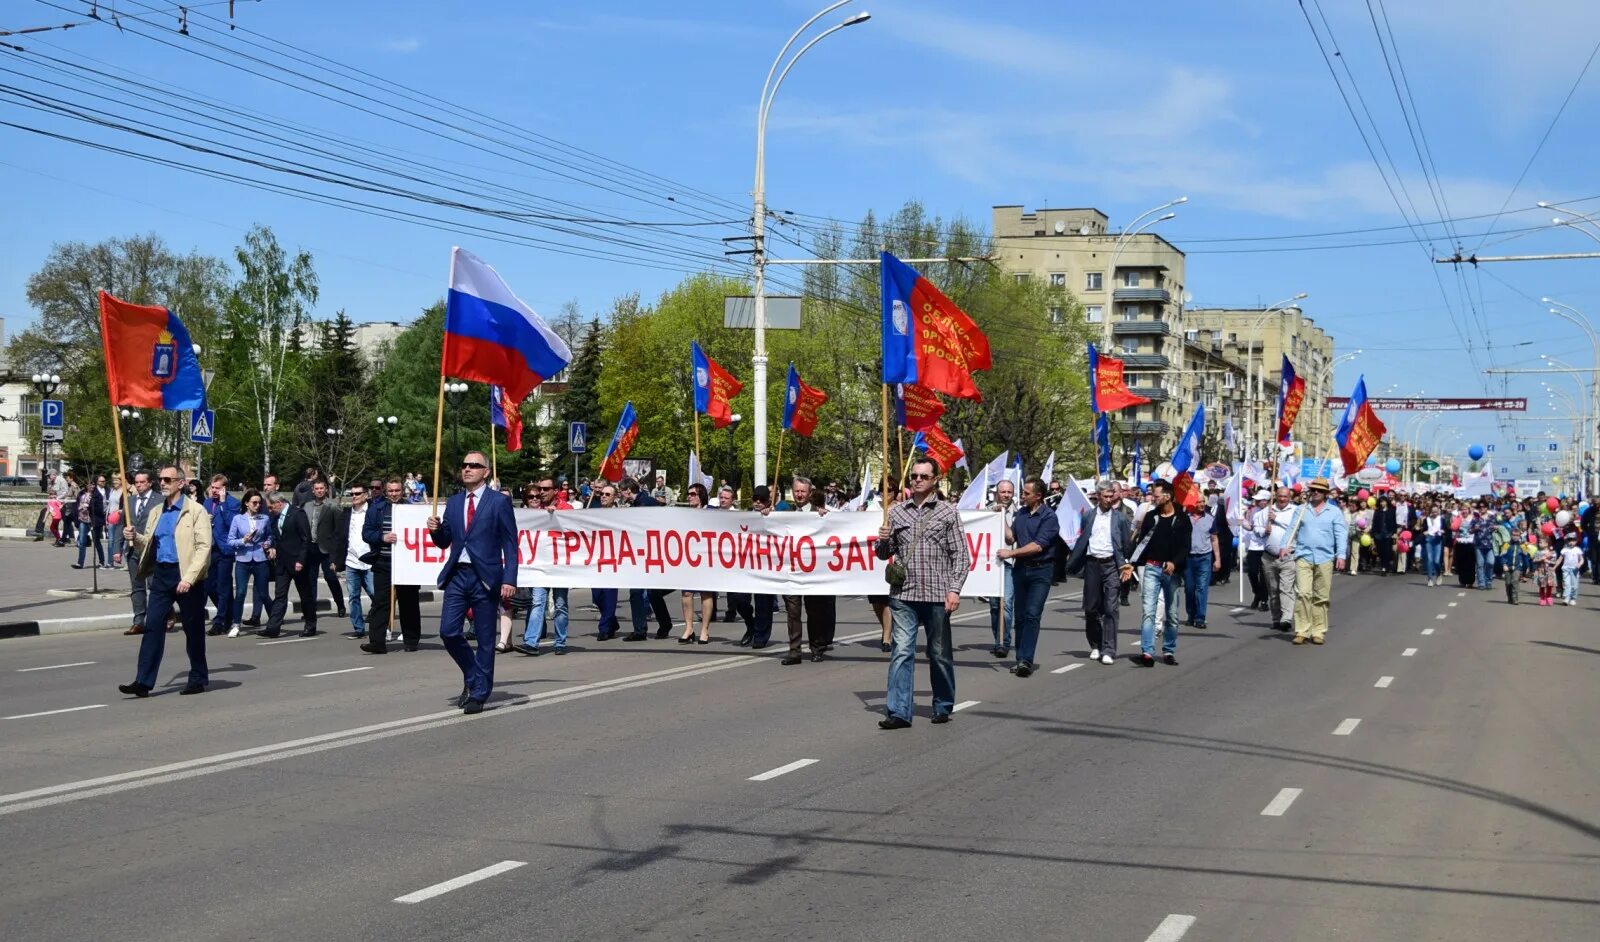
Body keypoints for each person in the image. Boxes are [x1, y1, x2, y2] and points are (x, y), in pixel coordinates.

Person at [874, 457, 969, 729]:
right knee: (902, 651)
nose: (917, 480)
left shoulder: (947, 512)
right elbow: (884, 554)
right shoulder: (896, 512)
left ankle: (942, 704)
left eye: (923, 476)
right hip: (904, 594)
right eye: (914, 476)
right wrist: (882, 539)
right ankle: (899, 711)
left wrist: (954, 589)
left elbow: (960, 555)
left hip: (938, 595)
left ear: (935, 480)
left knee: (938, 653)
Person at [427, 450, 519, 715]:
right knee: (448, 631)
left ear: (485, 472)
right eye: (464, 464)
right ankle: (473, 676)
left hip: (486, 577)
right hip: (458, 575)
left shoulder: (498, 502)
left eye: (474, 465)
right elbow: (446, 541)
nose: (467, 469)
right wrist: (436, 530)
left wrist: (509, 578)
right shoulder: (455, 502)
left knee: (486, 638)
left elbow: (510, 544)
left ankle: (479, 693)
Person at [117, 464, 212, 697]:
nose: (163, 483)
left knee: (193, 629)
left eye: (168, 479)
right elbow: (150, 543)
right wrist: (134, 537)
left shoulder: (196, 511)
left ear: (181, 483)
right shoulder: (157, 511)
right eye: (161, 479)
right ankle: (143, 681)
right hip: (161, 574)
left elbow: (203, 548)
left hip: (187, 576)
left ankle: (198, 677)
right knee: (152, 626)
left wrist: (189, 579)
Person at [1065, 479, 1133, 665]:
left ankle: (1109, 649)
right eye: (1105, 496)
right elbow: (1083, 537)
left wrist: (1126, 563)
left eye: (1111, 496)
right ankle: (1096, 644)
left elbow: (1127, 544)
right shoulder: (1088, 516)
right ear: (1098, 496)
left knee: (1111, 608)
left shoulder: (1120, 518)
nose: (1109, 500)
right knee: (1091, 608)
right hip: (1092, 564)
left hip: (1112, 565)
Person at [998, 478, 1059, 677]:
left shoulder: (1049, 517)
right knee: (1021, 616)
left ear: (1038, 496)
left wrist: (1011, 554)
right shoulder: (1022, 513)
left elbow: (1038, 545)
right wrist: (1001, 517)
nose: (1022, 496)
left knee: (1033, 614)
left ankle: (1026, 659)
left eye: (1026, 493)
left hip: (1041, 570)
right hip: (1021, 569)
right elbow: (1011, 538)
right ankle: (1020, 658)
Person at [1130, 480, 1190, 667]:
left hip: (1172, 571)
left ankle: (1168, 650)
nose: (1153, 499)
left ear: (1168, 496)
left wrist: (1174, 562)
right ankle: (1147, 652)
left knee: (1171, 613)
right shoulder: (1151, 516)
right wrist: (1132, 563)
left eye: (1156, 496)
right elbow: (1142, 544)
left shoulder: (1181, 518)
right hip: (1152, 568)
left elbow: (1186, 547)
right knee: (1149, 611)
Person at [778, 476, 836, 665]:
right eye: (796, 491)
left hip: (813, 571)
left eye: (803, 491)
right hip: (792, 571)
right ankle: (794, 651)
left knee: (814, 611)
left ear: (810, 493)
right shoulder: (785, 513)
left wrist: (826, 517)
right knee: (793, 611)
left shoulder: (819, 514)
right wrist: (766, 514)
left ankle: (817, 648)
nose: (800, 495)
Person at [363, 478, 422, 654]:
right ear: (385, 492)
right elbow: (367, 533)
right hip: (384, 562)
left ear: (402, 491)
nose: (394, 494)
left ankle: (411, 640)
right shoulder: (376, 509)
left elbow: (420, 532)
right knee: (381, 602)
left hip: (407, 563)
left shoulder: (412, 509)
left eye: (397, 491)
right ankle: (377, 642)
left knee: (408, 602)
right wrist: (382, 537)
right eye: (391, 491)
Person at [1286, 478, 1348, 646]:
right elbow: (1292, 529)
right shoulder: (1301, 509)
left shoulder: (1334, 512)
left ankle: (1318, 631)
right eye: (1313, 489)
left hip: (1325, 557)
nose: (1315, 492)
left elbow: (1341, 534)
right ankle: (1301, 630)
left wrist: (1341, 555)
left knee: (1321, 596)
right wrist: (1285, 546)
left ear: (1326, 494)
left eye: (1319, 490)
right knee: (1303, 593)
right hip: (1303, 555)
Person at [521, 477, 574, 656]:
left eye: (545, 489)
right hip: (540, 565)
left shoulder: (566, 509)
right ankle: (531, 642)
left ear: (555, 490)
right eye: (540, 489)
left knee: (560, 604)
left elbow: (574, 531)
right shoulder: (536, 510)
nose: (541, 493)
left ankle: (560, 642)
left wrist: (557, 516)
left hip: (560, 566)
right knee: (537, 602)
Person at [619, 477, 674, 641]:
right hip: (643, 554)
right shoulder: (640, 503)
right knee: (643, 593)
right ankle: (647, 628)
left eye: (622, 491)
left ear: (629, 490)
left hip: (650, 554)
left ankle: (652, 627)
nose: (621, 495)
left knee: (646, 593)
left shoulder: (645, 504)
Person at [261, 491, 316, 638]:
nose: (270, 510)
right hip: (282, 562)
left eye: (271, 507)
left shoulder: (297, 514)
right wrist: (271, 546)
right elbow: (276, 536)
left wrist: (301, 560)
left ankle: (310, 625)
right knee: (280, 595)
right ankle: (273, 628)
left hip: (297, 562)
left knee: (305, 595)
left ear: (279, 503)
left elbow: (306, 539)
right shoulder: (275, 517)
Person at [226, 489, 272, 636]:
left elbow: (269, 536)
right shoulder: (237, 519)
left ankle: (274, 620)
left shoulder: (264, 518)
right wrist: (243, 540)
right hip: (243, 559)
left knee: (263, 593)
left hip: (260, 559)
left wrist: (267, 543)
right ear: (246, 503)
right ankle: (236, 624)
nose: (257, 505)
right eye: (254, 502)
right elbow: (230, 541)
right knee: (240, 592)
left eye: (259, 503)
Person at [333, 482, 375, 637]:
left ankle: (382, 626)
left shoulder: (372, 511)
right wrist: (336, 561)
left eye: (357, 494)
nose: (354, 497)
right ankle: (358, 628)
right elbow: (340, 538)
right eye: (352, 494)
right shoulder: (346, 513)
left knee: (375, 595)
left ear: (366, 494)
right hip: (351, 561)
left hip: (370, 561)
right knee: (353, 597)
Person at [677, 483, 717, 645]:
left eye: (693, 494)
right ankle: (688, 628)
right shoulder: (685, 514)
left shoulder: (711, 512)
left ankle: (705, 630)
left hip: (706, 558)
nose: (690, 496)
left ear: (701, 496)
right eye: (689, 494)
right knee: (686, 593)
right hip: (689, 556)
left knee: (705, 593)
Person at [1258, 486, 1300, 632]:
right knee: (1273, 590)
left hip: (1288, 556)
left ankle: (1286, 619)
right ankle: (1276, 618)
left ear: (1290, 497)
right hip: (1269, 556)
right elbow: (1256, 529)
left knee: (1286, 588)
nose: (1282, 499)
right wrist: (1263, 530)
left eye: (1285, 497)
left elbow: (1296, 527)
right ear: (1276, 496)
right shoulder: (1266, 511)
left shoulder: (1296, 511)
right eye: (1280, 496)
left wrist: (1277, 519)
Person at [121, 471, 159, 636]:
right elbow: (121, 525)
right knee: (137, 587)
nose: (138, 485)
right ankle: (138, 621)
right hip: (133, 549)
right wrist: (116, 549)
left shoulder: (160, 500)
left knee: (154, 586)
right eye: (136, 482)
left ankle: (164, 614)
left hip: (151, 550)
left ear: (150, 483)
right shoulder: (129, 501)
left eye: (142, 482)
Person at [203, 475, 241, 636]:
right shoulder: (207, 502)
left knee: (223, 586)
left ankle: (219, 621)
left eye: (217, 488)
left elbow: (232, 523)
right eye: (212, 487)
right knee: (209, 585)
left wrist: (224, 503)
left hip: (224, 549)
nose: (214, 490)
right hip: (209, 548)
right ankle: (228, 615)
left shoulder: (233, 503)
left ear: (225, 488)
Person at [303, 479, 347, 618]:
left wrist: (337, 552)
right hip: (311, 547)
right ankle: (311, 610)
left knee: (330, 578)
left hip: (327, 549)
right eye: (317, 488)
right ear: (313, 490)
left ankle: (340, 605)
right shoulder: (307, 506)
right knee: (310, 580)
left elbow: (339, 529)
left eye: (322, 488)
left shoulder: (332, 506)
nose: (319, 491)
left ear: (326, 489)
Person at [985, 479, 1016, 659]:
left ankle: (1003, 643)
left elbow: (1010, 538)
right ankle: (998, 637)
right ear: (997, 493)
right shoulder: (987, 511)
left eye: (1009, 492)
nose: (1005, 495)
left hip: (1009, 564)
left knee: (1007, 604)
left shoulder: (1019, 513)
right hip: (991, 564)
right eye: (1002, 492)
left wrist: (1002, 516)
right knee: (995, 605)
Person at [588, 482, 623, 640]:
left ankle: (604, 629)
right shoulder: (594, 512)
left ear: (614, 497)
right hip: (596, 558)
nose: (603, 496)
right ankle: (612, 621)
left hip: (613, 559)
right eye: (601, 493)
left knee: (609, 594)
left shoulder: (621, 515)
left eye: (607, 494)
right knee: (597, 596)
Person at [1183, 499, 1221, 629]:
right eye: (1198, 502)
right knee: (1189, 588)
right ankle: (1191, 614)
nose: (1202, 504)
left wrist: (1217, 559)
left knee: (1202, 588)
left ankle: (1200, 618)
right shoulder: (1185, 518)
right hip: (1188, 558)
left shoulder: (1210, 519)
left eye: (1203, 501)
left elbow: (1214, 539)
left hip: (1205, 557)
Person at [1243, 489, 1272, 607]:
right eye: (1257, 500)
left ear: (1266, 501)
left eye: (1260, 500)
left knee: (1264, 574)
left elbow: (1267, 531)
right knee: (1252, 572)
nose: (1257, 502)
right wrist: (1243, 523)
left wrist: (1261, 530)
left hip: (1265, 546)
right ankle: (1257, 593)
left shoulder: (1270, 511)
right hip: (1254, 546)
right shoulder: (1254, 511)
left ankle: (1264, 599)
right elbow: (1251, 527)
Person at [1559, 535, 1584, 606]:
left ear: (1576, 541)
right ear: (1567, 541)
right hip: (1566, 569)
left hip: (1574, 570)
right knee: (1567, 584)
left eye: (1573, 540)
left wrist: (1579, 564)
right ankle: (1566, 598)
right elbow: (1560, 559)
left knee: (1574, 585)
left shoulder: (1578, 550)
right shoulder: (1564, 550)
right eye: (1569, 540)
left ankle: (1573, 598)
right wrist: (1554, 567)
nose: (1571, 542)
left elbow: (1582, 559)